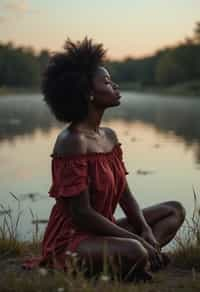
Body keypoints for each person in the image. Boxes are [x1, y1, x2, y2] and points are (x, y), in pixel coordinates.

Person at [22, 37, 186, 282]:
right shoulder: (71, 141)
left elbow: (126, 196)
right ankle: (139, 258)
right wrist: (136, 239)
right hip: (73, 240)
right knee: (135, 250)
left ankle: (143, 256)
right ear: (89, 93)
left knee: (174, 210)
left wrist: (143, 229)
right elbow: (81, 214)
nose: (115, 86)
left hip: (103, 232)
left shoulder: (109, 136)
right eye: (107, 82)